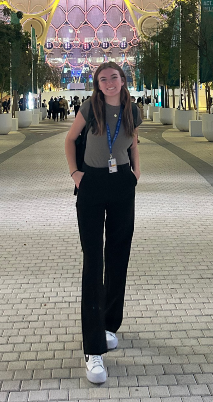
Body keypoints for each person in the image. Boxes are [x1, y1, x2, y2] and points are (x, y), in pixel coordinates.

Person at [64, 62, 142, 385]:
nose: (109, 83)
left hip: (122, 183)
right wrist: (76, 174)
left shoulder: (133, 110)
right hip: (92, 184)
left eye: (114, 78)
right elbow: (69, 140)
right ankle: (92, 348)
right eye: (103, 79)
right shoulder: (89, 107)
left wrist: (136, 173)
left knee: (119, 256)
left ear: (123, 81)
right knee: (93, 261)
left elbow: (134, 142)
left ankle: (110, 324)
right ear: (97, 85)